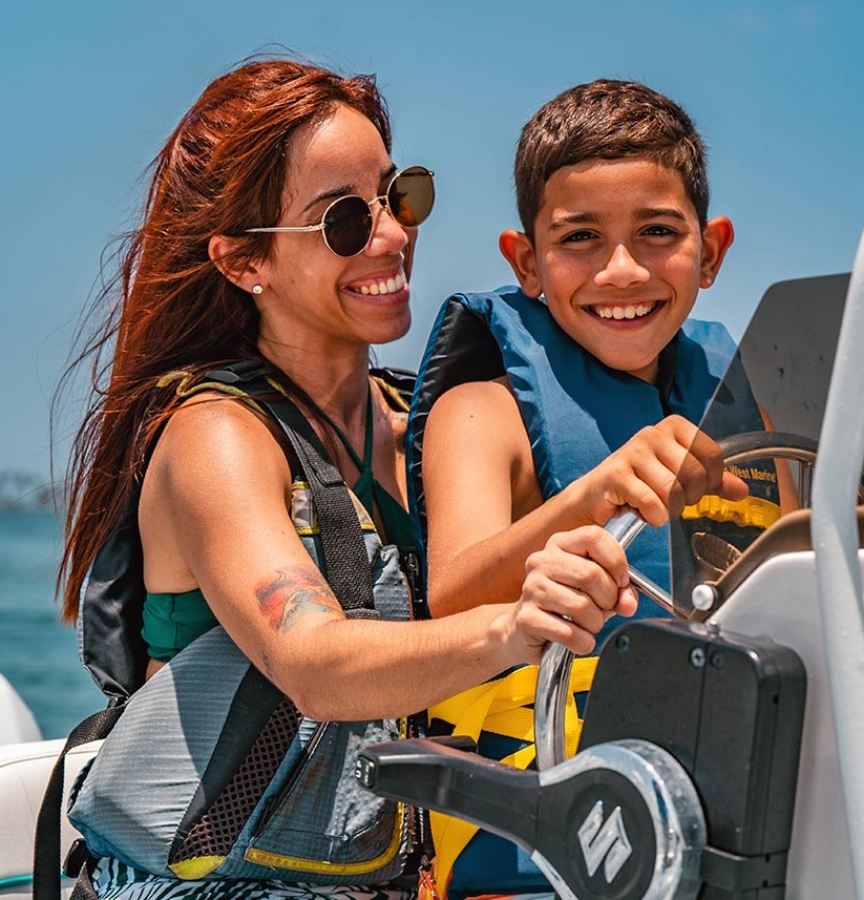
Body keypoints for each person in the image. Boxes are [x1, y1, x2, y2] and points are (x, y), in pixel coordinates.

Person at [52, 59, 634, 900]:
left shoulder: (432, 424)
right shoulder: (215, 437)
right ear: (245, 260)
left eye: (399, 197)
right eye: (344, 221)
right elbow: (315, 662)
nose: (393, 237)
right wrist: (515, 628)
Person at [405, 78, 793, 899]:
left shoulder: (747, 403)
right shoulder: (482, 413)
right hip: (541, 845)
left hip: (729, 827)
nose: (622, 271)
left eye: (658, 233)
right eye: (580, 238)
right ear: (527, 262)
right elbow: (450, 595)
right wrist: (593, 497)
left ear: (711, 250)